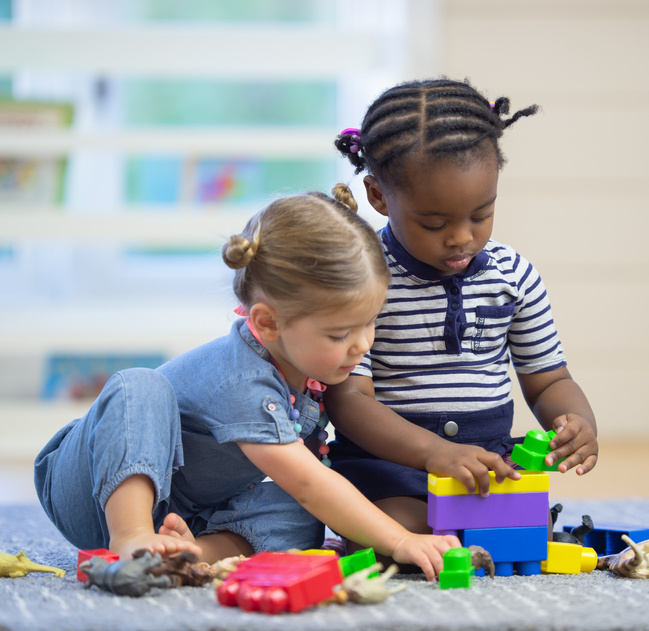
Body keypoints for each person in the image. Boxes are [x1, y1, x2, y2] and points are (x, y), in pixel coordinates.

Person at [33, 185, 459, 581]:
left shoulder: (305, 369)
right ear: (268, 323)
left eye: (369, 323)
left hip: (188, 507)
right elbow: (312, 481)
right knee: (139, 386)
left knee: (301, 516)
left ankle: (189, 554)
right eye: (338, 335)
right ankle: (132, 537)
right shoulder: (244, 380)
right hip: (90, 488)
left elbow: (307, 488)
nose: (362, 345)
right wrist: (400, 539)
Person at [326, 78, 598, 550]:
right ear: (379, 196)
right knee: (397, 528)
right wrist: (434, 454)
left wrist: (576, 421)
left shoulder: (514, 276)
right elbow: (348, 400)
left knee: (523, 532)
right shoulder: (365, 281)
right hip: (393, 467)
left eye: (481, 214)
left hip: (485, 465)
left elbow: (549, 380)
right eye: (434, 223)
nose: (461, 238)